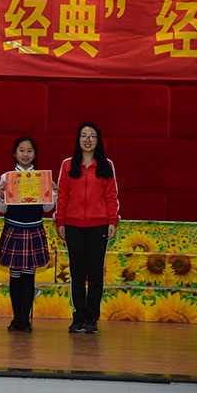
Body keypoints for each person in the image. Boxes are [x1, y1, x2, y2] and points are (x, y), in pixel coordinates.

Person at [54, 123, 119, 334]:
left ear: (98, 141)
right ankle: (78, 317)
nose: (88, 140)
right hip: (73, 226)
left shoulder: (106, 165)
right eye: (84, 136)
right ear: (78, 140)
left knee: (96, 274)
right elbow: (62, 195)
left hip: (99, 225)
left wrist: (113, 220)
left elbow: (111, 195)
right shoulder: (67, 165)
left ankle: (92, 318)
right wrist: (60, 221)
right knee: (77, 273)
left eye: (92, 136)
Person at [0, 136, 57, 332]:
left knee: (29, 276)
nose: (25, 154)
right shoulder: (7, 177)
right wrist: (1, 195)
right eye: (21, 150)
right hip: (13, 228)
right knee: (15, 276)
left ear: (35, 154)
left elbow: (47, 208)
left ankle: (25, 320)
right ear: (15, 154)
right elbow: (1, 209)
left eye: (29, 151)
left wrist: (53, 192)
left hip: (33, 228)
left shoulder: (41, 178)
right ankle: (16, 318)